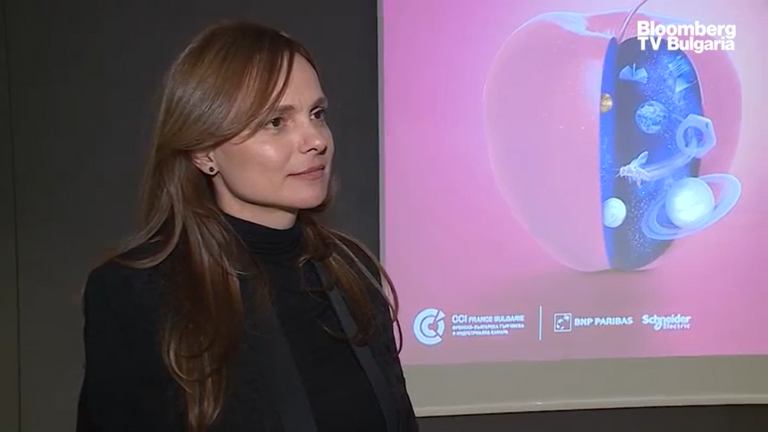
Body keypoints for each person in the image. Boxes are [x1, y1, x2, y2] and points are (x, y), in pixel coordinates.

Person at [75, 20, 418, 432]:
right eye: (276, 122)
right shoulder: (136, 293)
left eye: (317, 114)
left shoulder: (351, 272)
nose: (316, 140)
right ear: (204, 152)